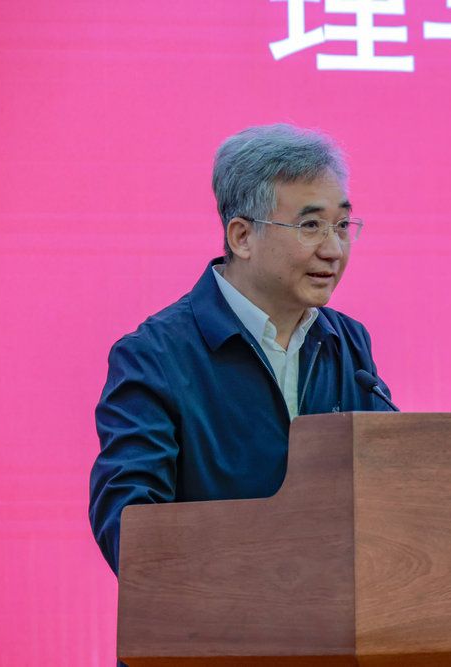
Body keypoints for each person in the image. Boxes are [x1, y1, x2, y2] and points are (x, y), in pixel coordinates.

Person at [88, 124, 394, 575]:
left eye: (342, 225)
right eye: (311, 226)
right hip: (215, 613)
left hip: (331, 613)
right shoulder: (155, 356)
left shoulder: (347, 344)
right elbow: (129, 525)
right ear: (242, 237)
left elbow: (388, 489)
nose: (334, 249)